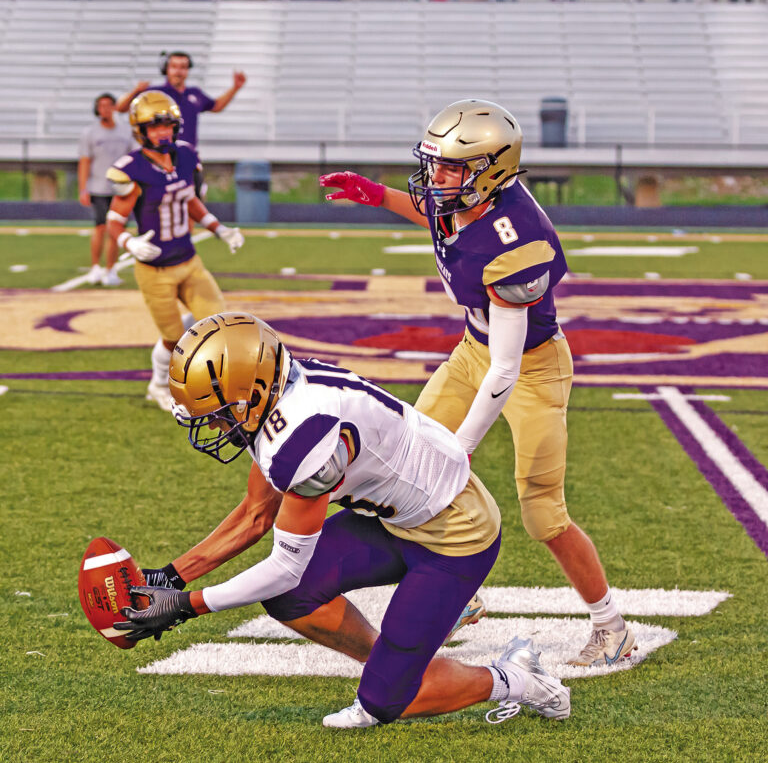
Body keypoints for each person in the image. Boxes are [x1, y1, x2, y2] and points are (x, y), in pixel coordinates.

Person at [115, 312, 570, 728]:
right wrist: (170, 576)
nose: (213, 427)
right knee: (291, 600)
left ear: (251, 393)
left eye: (216, 415)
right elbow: (255, 515)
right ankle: (392, 665)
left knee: (389, 703)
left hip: (454, 535)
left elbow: (285, 567)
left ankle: (519, 678)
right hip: (397, 518)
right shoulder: (277, 395)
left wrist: (187, 605)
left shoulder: (305, 437)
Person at [318, 100, 636, 668]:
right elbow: (434, 212)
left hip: (532, 368)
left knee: (543, 513)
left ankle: (612, 626)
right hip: (472, 351)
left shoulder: (516, 241)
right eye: (434, 164)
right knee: (410, 463)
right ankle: (457, 595)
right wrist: (377, 195)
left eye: (450, 168)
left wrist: (461, 446)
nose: (435, 178)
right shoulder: (464, 197)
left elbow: (507, 370)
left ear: (490, 171)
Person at [105, 91, 244, 412]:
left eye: (167, 125)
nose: (162, 132)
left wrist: (218, 228)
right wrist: (129, 242)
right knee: (172, 340)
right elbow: (113, 220)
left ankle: (215, 382)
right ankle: (157, 385)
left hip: (189, 260)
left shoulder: (184, 155)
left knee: (217, 322)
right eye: (154, 127)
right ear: (141, 131)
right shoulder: (133, 168)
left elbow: (190, 199)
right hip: (155, 270)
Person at [116, 51, 246, 202]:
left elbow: (216, 106)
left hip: (187, 160)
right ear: (166, 69)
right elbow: (121, 107)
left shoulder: (194, 93)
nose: (178, 71)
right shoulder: (155, 94)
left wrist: (235, 88)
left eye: (183, 67)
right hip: (159, 160)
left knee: (193, 202)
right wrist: (136, 91)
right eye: (174, 66)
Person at [77, 93, 133, 286]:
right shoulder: (90, 133)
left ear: (115, 107)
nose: (105, 109)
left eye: (109, 105)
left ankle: (111, 270)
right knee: (100, 227)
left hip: (121, 189)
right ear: (97, 109)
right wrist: (83, 189)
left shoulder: (125, 131)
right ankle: (95, 268)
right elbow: (85, 161)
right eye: (101, 106)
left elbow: (133, 159)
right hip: (99, 187)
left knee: (116, 230)